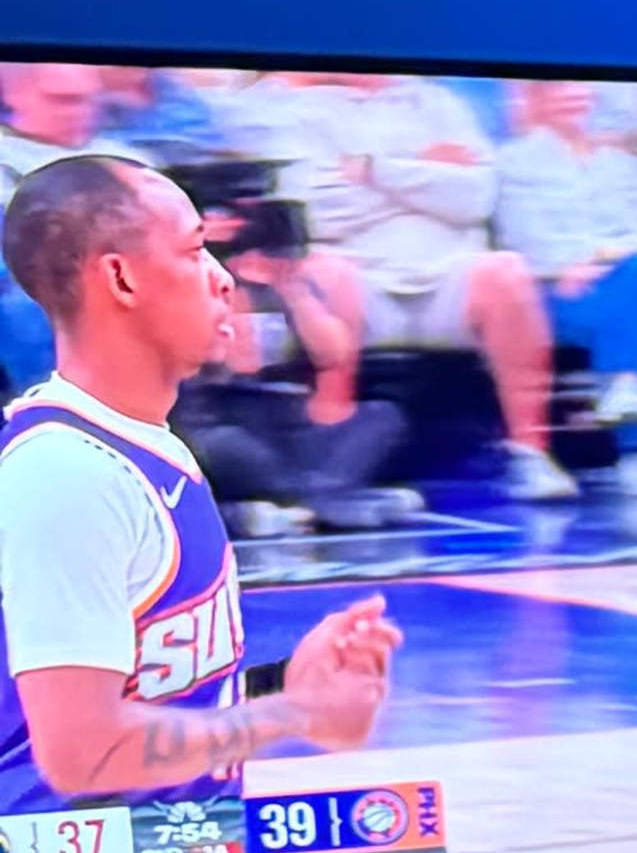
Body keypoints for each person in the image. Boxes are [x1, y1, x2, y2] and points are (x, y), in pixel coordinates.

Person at [0, 151, 400, 853]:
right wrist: (295, 712)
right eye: (192, 251)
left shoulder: (146, 443)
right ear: (120, 279)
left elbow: (143, 692)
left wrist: (279, 684)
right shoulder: (63, 472)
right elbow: (81, 751)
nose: (222, 277)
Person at [0, 66, 421, 531]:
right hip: (77, 295)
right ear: (15, 96)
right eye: (63, 100)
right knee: (224, 444)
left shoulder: (127, 160)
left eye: (86, 101)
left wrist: (266, 276)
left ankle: (306, 497)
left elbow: (325, 356)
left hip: (273, 410)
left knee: (381, 418)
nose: (79, 114)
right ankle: (325, 496)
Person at [232, 69, 572, 497]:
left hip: (450, 273)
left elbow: (476, 196)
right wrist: (428, 169)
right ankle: (332, 453)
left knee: (507, 273)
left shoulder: (435, 101)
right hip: (356, 274)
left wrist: (375, 170)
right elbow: (314, 210)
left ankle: (530, 453)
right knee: (325, 271)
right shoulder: (277, 105)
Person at [493, 83, 637, 502]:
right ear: (537, 99)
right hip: (548, 293)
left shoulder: (624, 165)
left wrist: (597, 258)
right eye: (560, 89)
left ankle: (626, 385)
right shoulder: (511, 162)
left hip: (618, 282)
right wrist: (568, 266)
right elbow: (520, 237)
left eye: (578, 88)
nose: (572, 96)